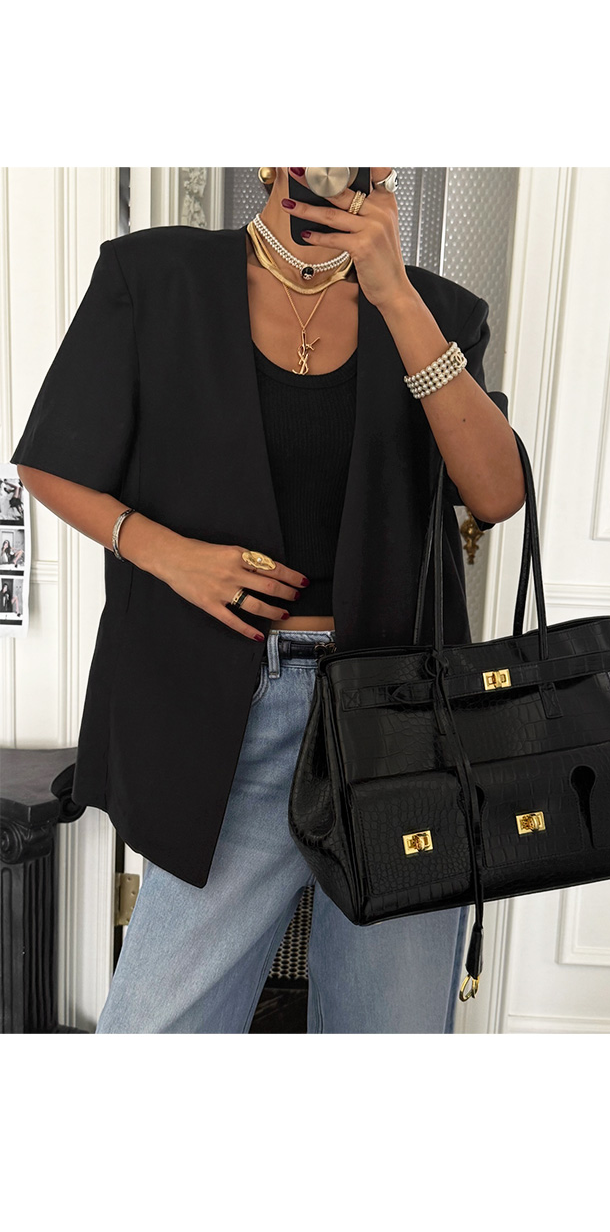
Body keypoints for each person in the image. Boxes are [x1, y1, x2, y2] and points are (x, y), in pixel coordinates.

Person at [12, 167, 525, 1033]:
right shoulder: (156, 278)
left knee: (390, 1036)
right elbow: (50, 458)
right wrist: (172, 557)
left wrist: (394, 294)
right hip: (227, 715)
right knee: (153, 1030)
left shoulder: (438, 310)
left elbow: (497, 493)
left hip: (400, 727)